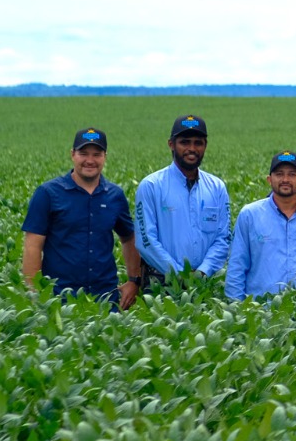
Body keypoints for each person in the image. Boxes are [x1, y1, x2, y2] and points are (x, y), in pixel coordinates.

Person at [23, 127, 142, 308]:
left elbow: (129, 237)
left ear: (105, 156)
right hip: (59, 298)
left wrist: (134, 280)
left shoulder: (115, 195)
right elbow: (32, 245)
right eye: (83, 154)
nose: (90, 160)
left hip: (106, 297)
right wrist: (35, 293)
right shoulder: (48, 193)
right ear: (73, 154)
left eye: (97, 154)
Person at [225, 151, 296, 299]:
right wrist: (237, 306)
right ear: (269, 179)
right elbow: (236, 266)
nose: (285, 179)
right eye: (279, 174)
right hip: (260, 308)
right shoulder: (249, 215)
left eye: (292, 174)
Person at [135, 114, 231, 286]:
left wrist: (203, 272)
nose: (191, 149)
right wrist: (179, 275)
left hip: (206, 283)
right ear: (171, 144)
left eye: (198, 143)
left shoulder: (217, 187)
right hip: (162, 283)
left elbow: (223, 238)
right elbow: (146, 240)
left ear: (205, 145)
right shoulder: (151, 186)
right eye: (185, 142)